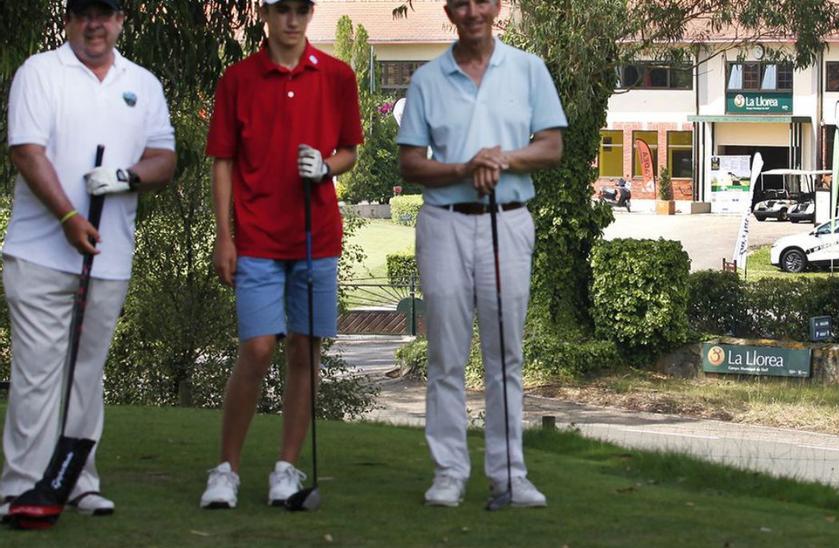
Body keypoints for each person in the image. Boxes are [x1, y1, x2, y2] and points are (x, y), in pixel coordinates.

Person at [0, 0, 176, 518]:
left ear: (121, 20)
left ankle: (75, 481)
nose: (94, 24)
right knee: (38, 373)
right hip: (39, 252)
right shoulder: (40, 73)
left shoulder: (141, 83)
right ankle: (21, 489)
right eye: (82, 13)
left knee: (86, 372)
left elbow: (163, 158)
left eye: (105, 13)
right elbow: (26, 151)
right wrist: (67, 218)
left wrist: (128, 177)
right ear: (68, 20)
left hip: (110, 256)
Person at [397, 0, 565, 508]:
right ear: (449, 10)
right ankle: (449, 472)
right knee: (447, 354)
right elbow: (410, 163)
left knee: (505, 355)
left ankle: (509, 475)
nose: (472, 11)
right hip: (445, 223)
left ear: (495, 7)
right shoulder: (428, 78)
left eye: (481, 2)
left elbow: (551, 147)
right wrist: (465, 167)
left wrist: (502, 157)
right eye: (461, 3)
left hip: (508, 219)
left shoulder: (528, 69)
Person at [200, 0, 362, 509]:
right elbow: (223, 159)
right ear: (265, 15)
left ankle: (286, 470)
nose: (290, 20)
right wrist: (223, 236)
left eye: (300, 9)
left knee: (304, 351)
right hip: (257, 239)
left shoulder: (337, 76)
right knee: (257, 349)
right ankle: (225, 469)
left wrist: (327, 165)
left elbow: (350, 149)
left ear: (309, 13)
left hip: (315, 236)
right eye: (280, 9)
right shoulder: (238, 79)